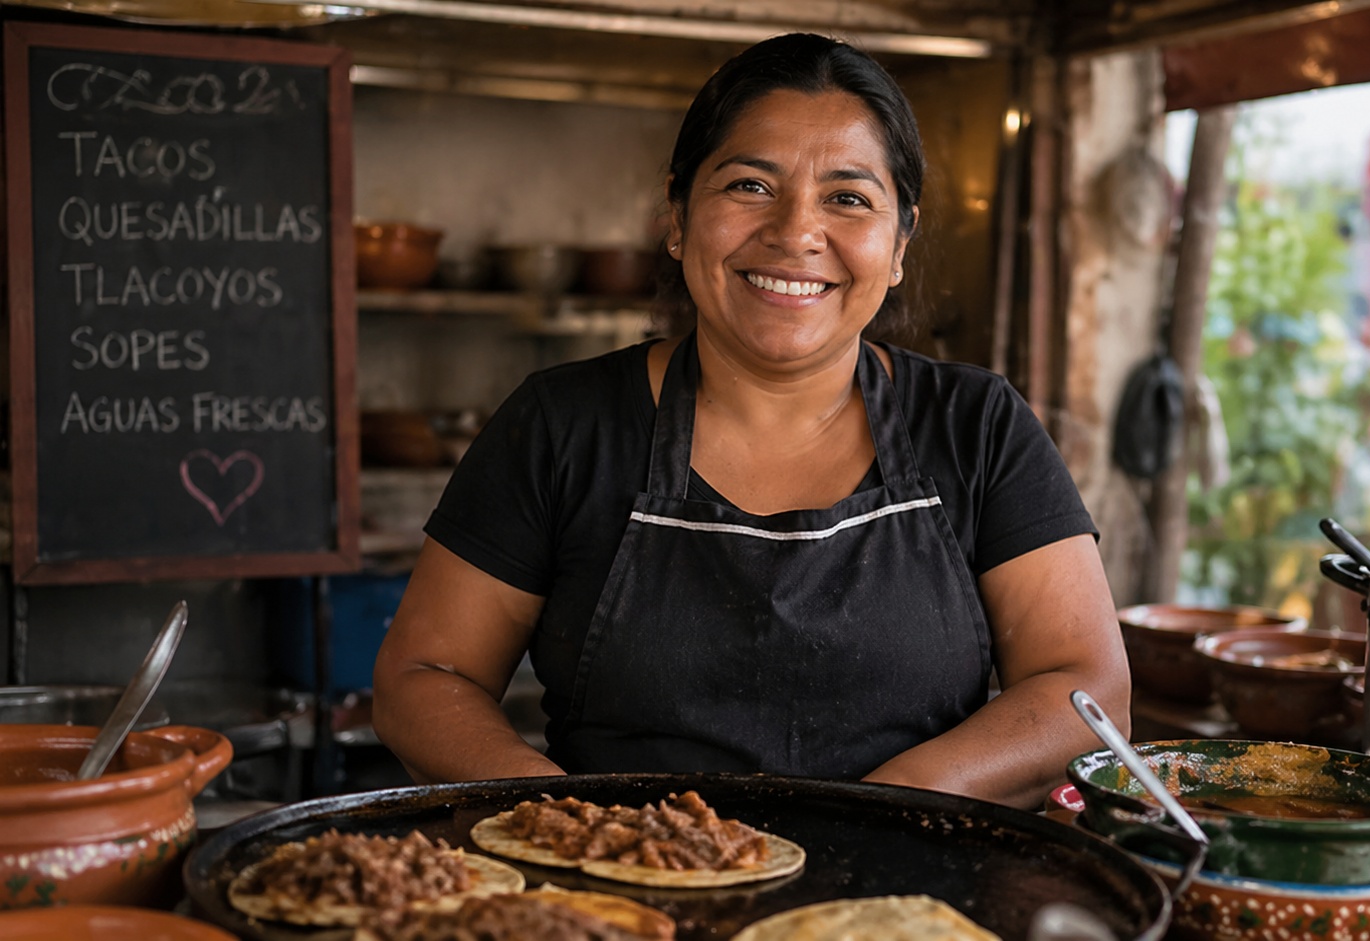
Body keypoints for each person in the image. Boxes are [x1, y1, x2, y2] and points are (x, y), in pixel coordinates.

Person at [371, 33, 1130, 811]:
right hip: (624, 905)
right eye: (749, 186)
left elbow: (1084, 687)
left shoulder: (978, 426)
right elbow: (424, 677)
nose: (796, 232)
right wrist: (569, 825)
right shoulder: (562, 424)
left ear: (899, 242)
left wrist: (890, 807)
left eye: (848, 197)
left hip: (917, 899)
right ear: (676, 214)